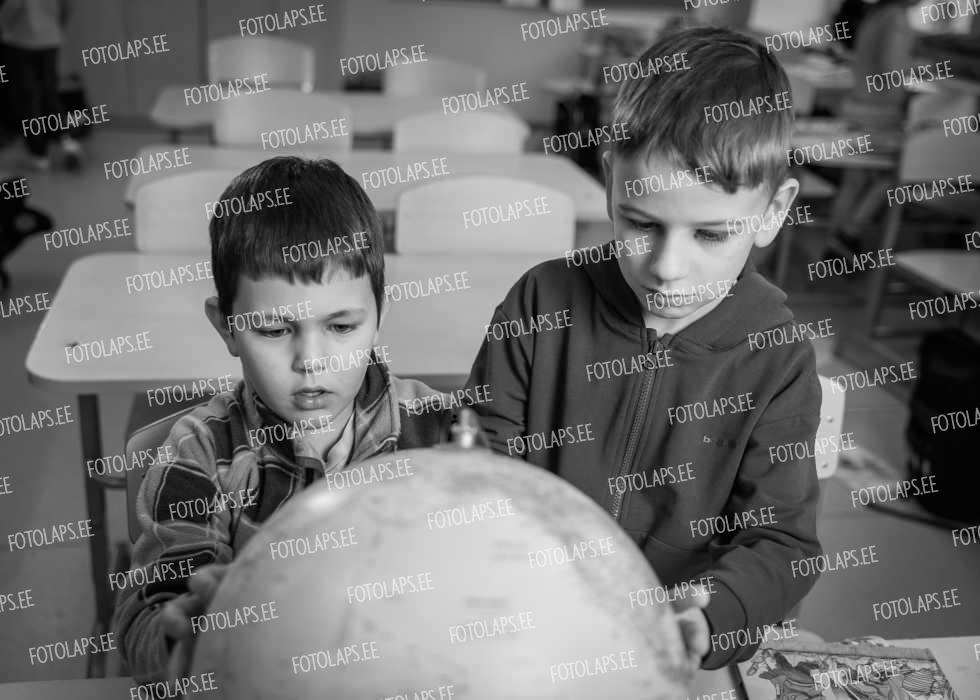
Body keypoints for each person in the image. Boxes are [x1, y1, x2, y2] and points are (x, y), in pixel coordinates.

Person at [465, 26, 823, 671]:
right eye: (641, 223)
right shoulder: (540, 301)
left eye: (711, 235)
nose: (667, 268)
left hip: (669, 653)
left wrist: (711, 614)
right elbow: (479, 467)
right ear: (610, 180)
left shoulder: (778, 357)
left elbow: (782, 545)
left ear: (774, 211)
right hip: (527, 625)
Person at [113, 157, 463, 681]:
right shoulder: (200, 453)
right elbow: (143, 622)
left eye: (341, 327)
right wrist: (191, 636)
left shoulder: (442, 436)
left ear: (379, 315)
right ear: (226, 327)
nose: (311, 362)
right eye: (274, 331)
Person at [0, 0, 82, 170]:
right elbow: (67, 7)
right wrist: (54, 27)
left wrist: (5, 27)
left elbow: (13, 6)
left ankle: (39, 153)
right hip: (50, 39)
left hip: (21, 41)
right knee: (50, 93)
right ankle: (64, 139)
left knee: (28, 99)